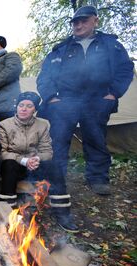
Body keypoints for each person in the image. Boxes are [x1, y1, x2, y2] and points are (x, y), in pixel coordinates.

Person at [36, 5, 134, 196]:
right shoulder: (61, 48)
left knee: (95, 138)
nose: (79, 25)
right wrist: (51, 97)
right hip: (65, 101)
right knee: (59, 140)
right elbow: (45, 76)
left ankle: (98, 179)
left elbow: (125, 69)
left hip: (97, 100)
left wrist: (113, 93)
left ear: (95, 21)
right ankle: (56, 179)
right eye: (76, 22)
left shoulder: (110, 45)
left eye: (84, 21)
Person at [0, 92, 78, 232]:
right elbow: (2, 152)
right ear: (16, 107)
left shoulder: (43, 124)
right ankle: (8, 212)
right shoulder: (4, 125)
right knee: (8, 165)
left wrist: (37, 159)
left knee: (54, 167)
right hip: (14, 164)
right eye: (21, 105)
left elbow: (47, 151)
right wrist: (23, 160)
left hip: (34, 165)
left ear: (35, 109)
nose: (24, 109)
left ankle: (62, 213)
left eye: (29, 106)